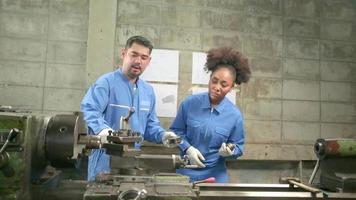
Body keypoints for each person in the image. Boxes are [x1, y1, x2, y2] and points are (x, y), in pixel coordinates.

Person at [81, 35, 177, 181]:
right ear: (123, 53)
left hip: (132, 163)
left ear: (149, 61)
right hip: (104, 161)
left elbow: (150, 126)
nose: (138, 61)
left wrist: (163, 135)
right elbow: (90, 110)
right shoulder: (106, 83)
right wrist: (103, 130)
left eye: (144, 57)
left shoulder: (148, 91)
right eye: (134, 55)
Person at [170, 47, 251, 183]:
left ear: (231, 87)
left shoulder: (234, 115)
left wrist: (230, 152)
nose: (217, 87)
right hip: (185, 174)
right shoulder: (189, 104)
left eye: (224, 85)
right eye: (214, 81)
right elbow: (175, 132)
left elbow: (238, 146)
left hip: (215, 177)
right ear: (210, 78)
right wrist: (187, 148)